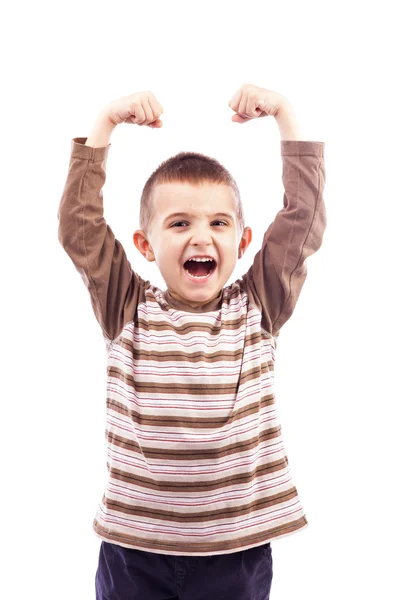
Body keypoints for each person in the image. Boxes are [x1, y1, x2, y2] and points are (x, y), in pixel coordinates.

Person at [57, 83, 326, 600]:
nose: (201, 237)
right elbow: (79, 228)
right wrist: (104, 125)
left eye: (218, 223)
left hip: (236, 555)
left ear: (242, 241)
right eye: (179, 223)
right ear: (146, 244)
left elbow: (302, 222)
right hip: (134, 553)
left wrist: (286, 116)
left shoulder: (259, 305)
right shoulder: (125, 306)